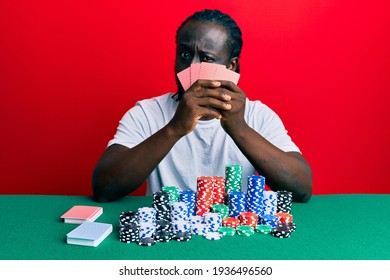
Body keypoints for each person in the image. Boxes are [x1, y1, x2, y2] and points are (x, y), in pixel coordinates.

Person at [92, 9, 312, 203]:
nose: (191, 66)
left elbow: (301, 189)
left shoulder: (258, 115)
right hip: (169, 238)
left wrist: (240, 129)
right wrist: (175, 128)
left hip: (232, 237)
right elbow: (104, 188)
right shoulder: (147, 113)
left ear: (231, 65)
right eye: (185, 55)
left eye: (206, 58)